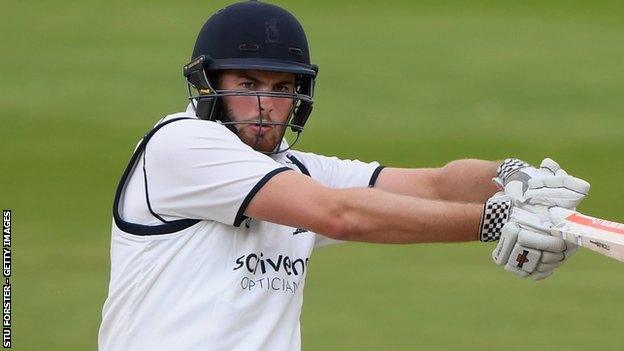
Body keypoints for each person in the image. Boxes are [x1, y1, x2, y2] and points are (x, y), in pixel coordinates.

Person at [98, 1, 591, 350]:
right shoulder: (182, 145)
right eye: (247, 84)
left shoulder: (296, 171)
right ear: (208, 86)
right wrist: (496, 220)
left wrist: (512, 177)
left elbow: (434, 184)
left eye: (282, 87)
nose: (267, 105)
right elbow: (340, 215)